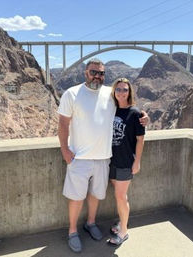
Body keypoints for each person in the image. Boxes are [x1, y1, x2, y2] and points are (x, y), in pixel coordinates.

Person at [57, 58, 147, 253]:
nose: (97, 76)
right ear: (85, 73)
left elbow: (128, 107)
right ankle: (72, 231)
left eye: (101, 73)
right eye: (93, 72)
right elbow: (63, 124)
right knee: (76, 197)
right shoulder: (71, 94)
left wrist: (144, 117)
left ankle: (90, 223)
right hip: (79, 158)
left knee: (96, 195)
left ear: (105, 75)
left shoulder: (110, 93)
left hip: (104, 158)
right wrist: (65, 150)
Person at [108, 78, 145, 246]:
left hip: (126, 161)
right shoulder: (111, 110)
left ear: (129, 92)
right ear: (114, 92)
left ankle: (123, 232)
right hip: (112, 160)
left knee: (121, 197)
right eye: (118, 89)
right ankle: (122, 222)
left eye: (124, 89)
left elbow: (140, 139)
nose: (121, 92)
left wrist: (137, 161)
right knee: (120, 195)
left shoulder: (136, 113)